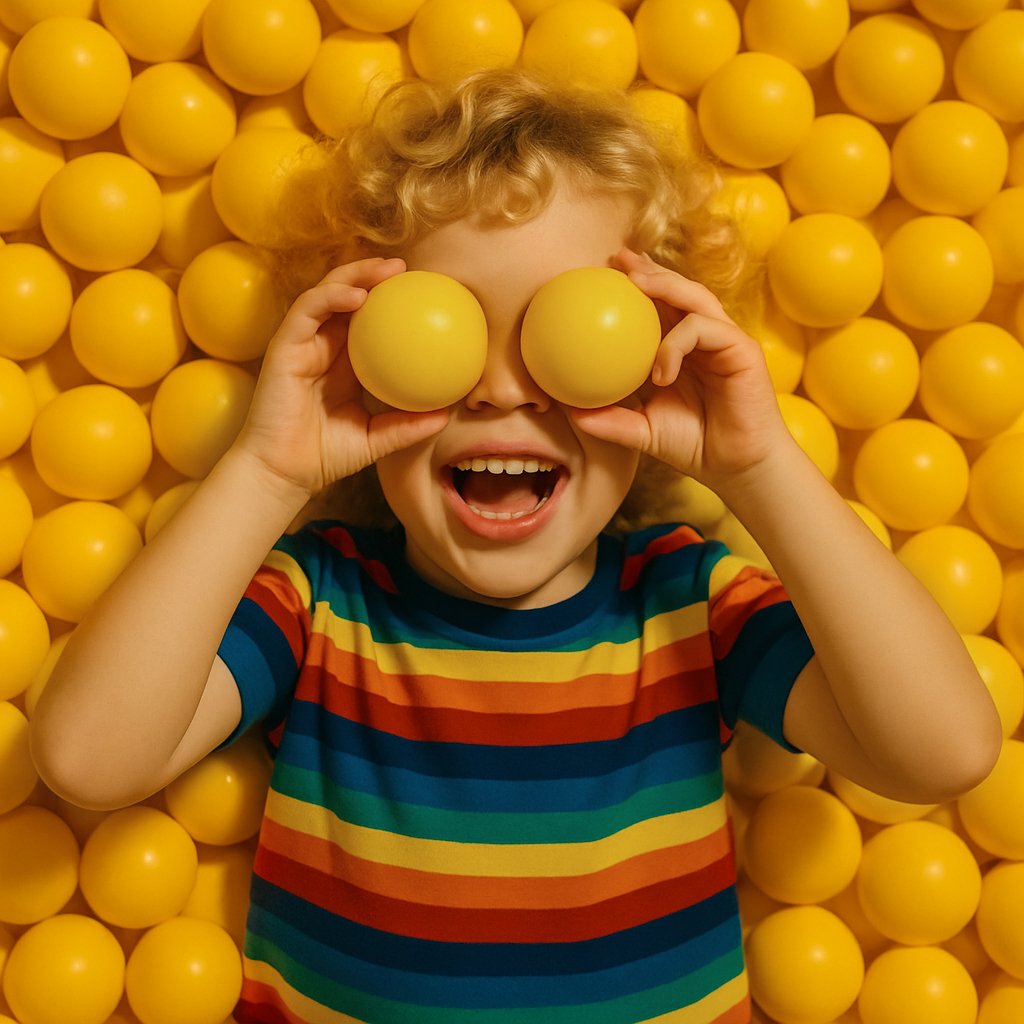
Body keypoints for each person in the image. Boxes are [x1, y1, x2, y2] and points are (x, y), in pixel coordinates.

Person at [31, 69, 1001, 1024]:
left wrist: (757, 466)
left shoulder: (683, 602)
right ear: (359, 361)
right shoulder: (322, 599)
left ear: (655, 362)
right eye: (443, 333)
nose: (503, 391)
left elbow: (943, 751)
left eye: (563, 334)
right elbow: (87, 759)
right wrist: (266, 471)